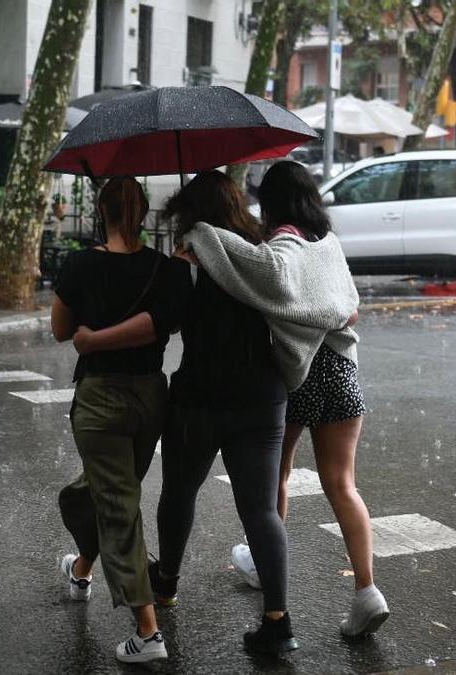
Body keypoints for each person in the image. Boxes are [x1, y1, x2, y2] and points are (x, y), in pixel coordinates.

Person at [180, 160, 388, 638]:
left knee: (276, 475)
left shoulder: (285, 244)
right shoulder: (329, 245)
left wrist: (205, 237)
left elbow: (269, 283)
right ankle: (367, 590)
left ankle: (261, 564)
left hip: (296, 375)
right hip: (340, 373)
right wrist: (329, 317)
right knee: (343, 486)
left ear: (272, 203)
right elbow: (348, 310)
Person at [126, 171, 299, 655]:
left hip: (199, 397)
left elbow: (165, 323)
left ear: (192, 213)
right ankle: (278, 620)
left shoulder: (193, 259)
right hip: (262, 397)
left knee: (179, 493)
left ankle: (166, 583)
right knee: (262, 511)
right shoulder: (265, 253)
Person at [51, 176, 190, 664]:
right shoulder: (166, 269)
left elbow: (60, 330)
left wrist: (94, 335)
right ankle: (83, 567)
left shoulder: (82, 264)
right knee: (103, 494)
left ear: (102, 211)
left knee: (118, 507)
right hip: (151, 397)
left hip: (101, 401)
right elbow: (165, 325)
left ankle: (148, 632)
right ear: (142, 213)